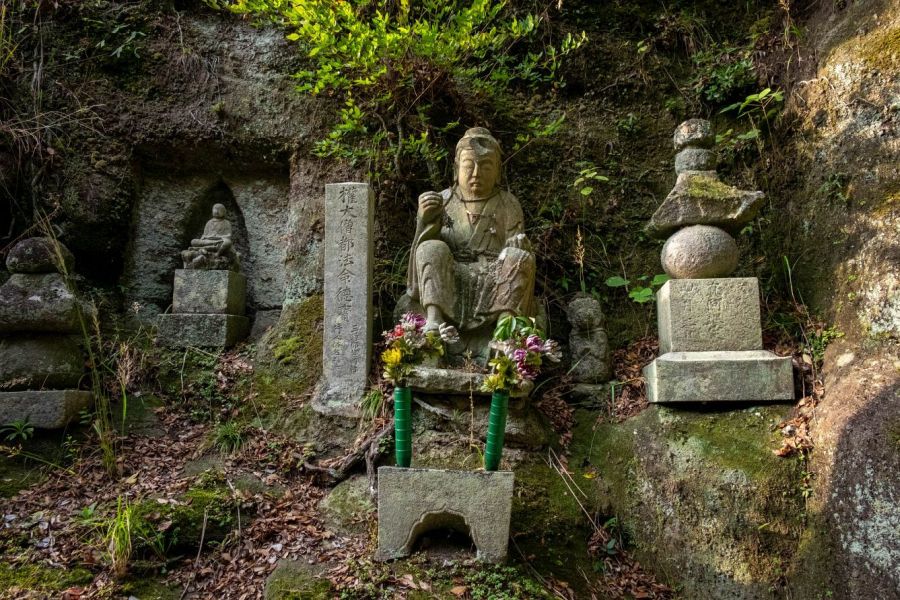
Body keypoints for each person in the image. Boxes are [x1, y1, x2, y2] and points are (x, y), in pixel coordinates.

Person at [407, 127, 536, 334]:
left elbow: (516, 244)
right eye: (469, 165)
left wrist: (518, 244)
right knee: (430, 248)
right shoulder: (443, 200)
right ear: (456, 168)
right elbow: (422, 247)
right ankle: (434, 318)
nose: (476, 173)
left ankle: (504, 327)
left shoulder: (508, 203)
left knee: (519, 257)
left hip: (493, 276)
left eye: (486, 167)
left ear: (497, 172)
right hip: (451, 275)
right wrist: (424, 220)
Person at [181, 203, 240, 270]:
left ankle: (217, 253)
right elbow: (204, 235)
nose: (217, 211)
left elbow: (229, 235)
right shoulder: (209, 222)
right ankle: (210, 246)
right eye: (215, 209)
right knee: (193, 241)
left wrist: (218, 237)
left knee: (228, 242)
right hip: (208, 241)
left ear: (224, 212)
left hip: (219, 241)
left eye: (219, 210)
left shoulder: (226, 222)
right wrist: (208, 237)